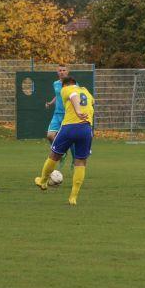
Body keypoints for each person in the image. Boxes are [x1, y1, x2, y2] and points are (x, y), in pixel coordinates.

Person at [35, 76, 95, 205]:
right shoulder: (85, 91)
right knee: (81, 162)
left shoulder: (66, 89)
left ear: (65, 85)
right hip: (86, 129)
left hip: (70, 127)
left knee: (54, 155)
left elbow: (73, 96)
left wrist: (77, 111)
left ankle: (43, 181)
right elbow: (92, 102)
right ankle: (73, 197)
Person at [44, 63, 70, 169]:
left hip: (68, 115)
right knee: (50, 136)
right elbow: (58, 95)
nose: (62, 72)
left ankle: (75, 161)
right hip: (57, 114)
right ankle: (61, 153)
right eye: (60, 70)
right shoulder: (55, 83)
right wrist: (51, 103)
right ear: (57, 72)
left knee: (71, 139)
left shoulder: (72, 84)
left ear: (67, 72)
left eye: (64, 70)